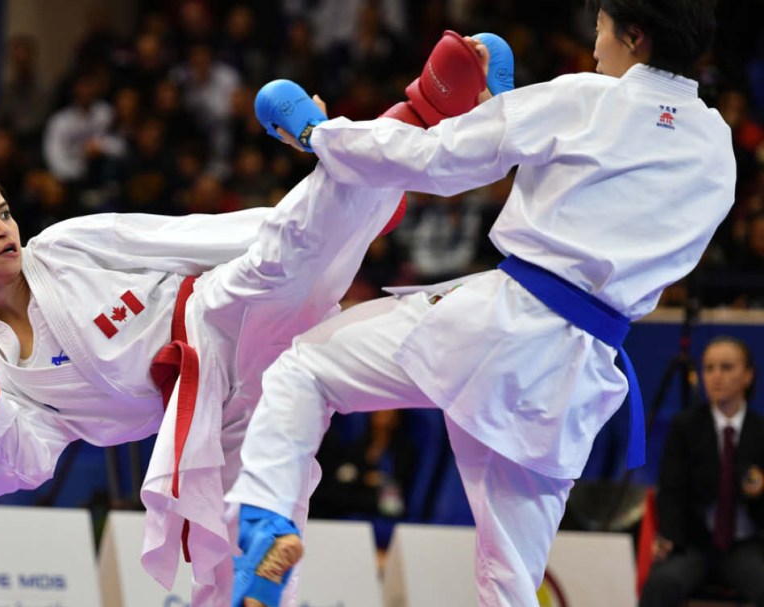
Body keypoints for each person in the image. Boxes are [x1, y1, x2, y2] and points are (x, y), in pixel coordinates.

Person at [0, 32, 507, 607]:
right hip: (201, 418)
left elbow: (180, 238)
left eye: (3, 212)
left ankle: (424, 109)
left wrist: (336, 221)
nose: (4, 227)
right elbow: (26, 466)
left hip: (215, 317)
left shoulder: (65, 246)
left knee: (287, 247)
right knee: (234, 551)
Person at [225, 2, 736, 606]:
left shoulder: (587, 98)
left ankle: (265, 527)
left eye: (599, 27)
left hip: (501, 325)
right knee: (511, 583)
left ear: (634, 34)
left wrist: (321, 134)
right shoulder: (717, 146)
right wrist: (507, 103)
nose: (594, 44)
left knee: (303, 370)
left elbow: (437, 158)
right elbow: (607, 190)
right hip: (576, 374)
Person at [639, 337, 764, 606]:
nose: (716, 376)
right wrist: (669, 538)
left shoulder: (760, 431)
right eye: (708, 368)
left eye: (726, 367)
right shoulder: (685, 427)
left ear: (748, 375)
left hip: (746, 544)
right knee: (661, 585)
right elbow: (670, 491)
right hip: (694, 545)